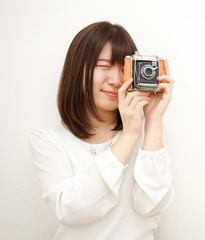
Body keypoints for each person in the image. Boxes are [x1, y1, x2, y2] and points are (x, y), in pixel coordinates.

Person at [29, 21, 175, 240]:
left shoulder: (150, 132)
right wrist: (128, 137)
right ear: (78, 70)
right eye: (104, 66)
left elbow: (152, 206)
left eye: (123, 68)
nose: (115, 80)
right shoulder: (49, 140)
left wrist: (153, 121)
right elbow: (72, 211)